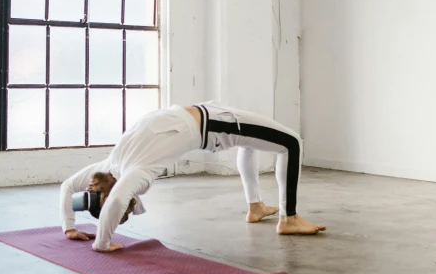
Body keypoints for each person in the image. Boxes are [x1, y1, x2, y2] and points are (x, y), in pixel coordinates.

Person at [60, 102, 326, 253]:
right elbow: (109, 197)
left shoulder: (112, 165)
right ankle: (288, 218)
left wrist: (78, 231)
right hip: (215, 125)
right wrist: (97, 241)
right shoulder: (130, 169)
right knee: (291, 142)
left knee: (250, 143)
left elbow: (71, 187)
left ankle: (255, 207)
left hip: (211, 118)